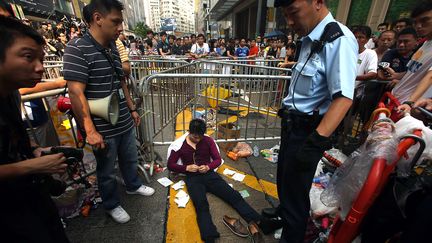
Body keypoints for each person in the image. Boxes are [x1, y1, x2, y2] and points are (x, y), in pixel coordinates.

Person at [264, 1, 358, 242]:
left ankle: (291, 235)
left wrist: (314, 142)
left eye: (293, 13)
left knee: (296, 196)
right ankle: (282, 214)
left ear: (318, 2)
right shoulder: (309, 38)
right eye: (286, 16)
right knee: (284, 180)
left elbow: (344, 98)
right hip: (292, 125)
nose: (291, 23)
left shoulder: (338, 39)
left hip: (308, 132)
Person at [63, 0, 155, 224]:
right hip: (101, 127)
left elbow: (121, 80)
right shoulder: (76, 49)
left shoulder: (112, 47)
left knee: (129, 158)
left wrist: (132, 108)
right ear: (97, 18)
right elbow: (76, 93)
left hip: (122, 117)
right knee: (106, 170)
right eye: (116, 22)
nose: (120, 28)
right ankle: (112, 204)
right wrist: (90, 130)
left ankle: (133, 185)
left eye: (121, 22)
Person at [0, 15, 70, 243]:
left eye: (41, 59)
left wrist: (36, 151)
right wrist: (32, 166)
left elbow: (14, 138)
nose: (40, 68)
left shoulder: (11, 94)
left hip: (29, 197)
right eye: (28, 57)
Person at [168, 119, 272, 243]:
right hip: (193, 178)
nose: (197, 139)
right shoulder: (180, 145)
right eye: (194, 136)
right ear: (189, 131)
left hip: (209, 175)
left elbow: (217, 159)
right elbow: (170, 164)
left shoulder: (208, 140)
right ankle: (209, 236)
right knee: (201, 205)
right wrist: (186, 168)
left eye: (200, 137)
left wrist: (208, 167)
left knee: (234, 195)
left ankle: (261, 223)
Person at [391, 1, 432, 106]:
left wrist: (410, 102)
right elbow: (412, 71)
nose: (418, 26)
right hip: (395, 99)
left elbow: (430, 76)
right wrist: (395, 76)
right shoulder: (425, 44)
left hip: (408, 107)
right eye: (415, 22)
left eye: (425, 20)